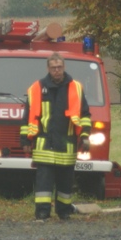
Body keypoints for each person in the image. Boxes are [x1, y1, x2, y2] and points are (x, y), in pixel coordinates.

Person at [20, 52, 92, 221]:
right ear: (48, 68)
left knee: (65, 183)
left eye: (59, 67)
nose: (57, 70)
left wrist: (85, 135)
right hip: (44, 144)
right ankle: (42, 212)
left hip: (67, 143)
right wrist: (25, 140)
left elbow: (85, 115)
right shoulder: (37, 88)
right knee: (43, 184)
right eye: (53, 68)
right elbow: (27, 117)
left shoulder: (76, 87)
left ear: (64, 67)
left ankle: (64, 211)